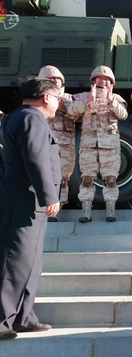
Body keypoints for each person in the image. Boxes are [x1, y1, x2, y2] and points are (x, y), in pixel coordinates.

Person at [0, 77, 62, 341]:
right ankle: (3, 320)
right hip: (25, 201)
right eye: (58, 97)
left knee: (30, 262)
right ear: (46, 97)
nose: (59, 103)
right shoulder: (32, 119)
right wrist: (50, 195)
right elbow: (35, 159)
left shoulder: (18, 117)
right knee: (15, 262)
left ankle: (24, 317)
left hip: (27, 202)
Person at [67, 66, 128, 222]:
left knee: (110, 179)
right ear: (93, 80)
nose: (103, 81)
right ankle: (86, 212)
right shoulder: (82, 97)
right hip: (88, 145)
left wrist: (111, 101)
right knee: (87, 179)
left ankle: (110, 211)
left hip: (110, 145)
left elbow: (123, 115)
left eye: (106, 79)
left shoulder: (117, 98)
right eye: (99, 78)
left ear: (111, 82)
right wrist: (87, 102)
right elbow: (71, 112)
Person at [38, 66, 77, 221]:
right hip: (42, 142)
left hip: (64, 143)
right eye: (51, 80)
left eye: (58, 80)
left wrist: (62, 104)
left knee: (62, 178)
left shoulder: (68, 98)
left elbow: (78, 115)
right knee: (42, 174)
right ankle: (41, 208)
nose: (55, 82)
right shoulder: (36, 98)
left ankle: (57, 210)